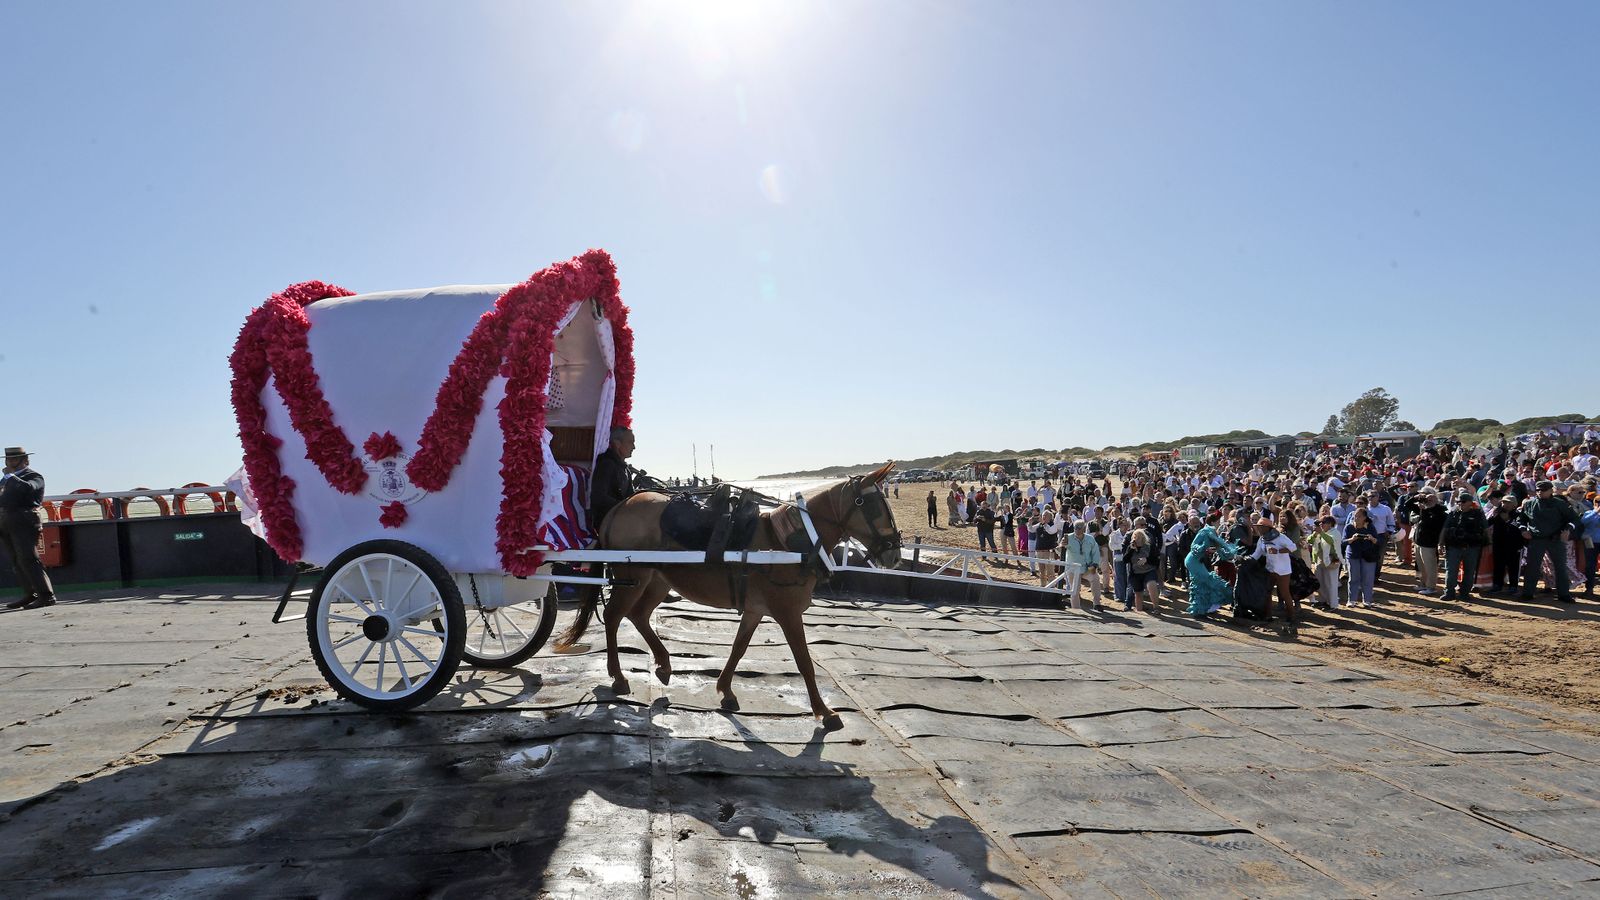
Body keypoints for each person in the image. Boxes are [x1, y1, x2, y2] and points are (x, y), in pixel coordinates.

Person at [1, 447, 55, 610]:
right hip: (6, 520)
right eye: (9, 460)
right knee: (17, 561)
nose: (11, 463)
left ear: (26, 460)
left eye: (15, 459)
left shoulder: (33, 476)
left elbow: (29, 488)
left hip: (24, 519)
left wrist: (11, 477)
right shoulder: (5, 480)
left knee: (29, 558)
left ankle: (46, 596)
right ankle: (31, 593)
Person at [1519, 480, 1582, 603]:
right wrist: (1523, 530)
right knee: (1532, 567)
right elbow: (1521, 520)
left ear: (1550, 490)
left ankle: (1564, 594)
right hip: (1537, 539)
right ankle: (1528, 593)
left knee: (1560, 567)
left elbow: (1575, 519)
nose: (1540, 493)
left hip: (1555, 539)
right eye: (1538, 490)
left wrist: (1568, 529)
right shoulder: (1529, 504)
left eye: (1543, 490)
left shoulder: (1560, 504)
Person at [1184, 512, 1239, 617]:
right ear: (1214, 522)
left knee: (1200, 584)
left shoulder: (1212, 532)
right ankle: (1201, 608)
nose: (1220, 523)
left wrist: (1231, 553)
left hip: (1196, 561)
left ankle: (1201, 609)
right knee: (1208, 581)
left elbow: (1220, 550)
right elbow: (1193, 546)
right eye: (1218, 521)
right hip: (1192, 560)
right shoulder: (1205, 531)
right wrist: (1203, 547)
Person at [1251, 514, 1298, 625]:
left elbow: (1293, 547)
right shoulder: (1262, 539)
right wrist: (1247, 559)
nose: (1258, 528)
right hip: (1270, 569)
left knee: (1285, 593)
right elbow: (1257, 553)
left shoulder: (1280, 537)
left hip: (1283, 571)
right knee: (1267, 592)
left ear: (1267, 528)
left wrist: (1277, 551)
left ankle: (1291, 616)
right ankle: (1268, 615)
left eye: (1260, 526)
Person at [1440, 493, 1488, 601]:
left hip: (1472, 546)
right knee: (1451, 570)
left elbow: (1486, 530)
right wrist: (1441, 543)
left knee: (1469, 571)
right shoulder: (1453, 513)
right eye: (1458, 502)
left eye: (1463, 502)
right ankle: (1449, 592)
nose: (1460, 504)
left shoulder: (1478, 514)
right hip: (1454, 546)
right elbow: (1445, 529)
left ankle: (1465, 593)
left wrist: (1488, 543)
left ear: (1470, 502)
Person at [589, 427, 637, 528]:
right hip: (607, 523)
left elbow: (631, 496)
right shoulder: (607, 465)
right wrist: (623, 507)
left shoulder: (626, 470)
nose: (634, 447)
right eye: (630, 442)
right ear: (617, 443)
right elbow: (598, 497)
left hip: (621, 519)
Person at [1408, 488, 1447, 595]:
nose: (1426, 497)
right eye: (1423, 494)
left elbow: (1431, 523)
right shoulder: (1422, 507)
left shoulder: (1440, 510)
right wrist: (1415, 497)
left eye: (1427, 495)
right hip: (1419, 541)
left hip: (1430, 543)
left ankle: (1431, 587)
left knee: (1430, 566)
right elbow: (1407, 505)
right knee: (1421, 566)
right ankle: (1423, 584)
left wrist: (1430, 505)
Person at [1343, 507, 1381, 609]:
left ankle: (1367, 600)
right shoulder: (1349, 527)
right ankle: (1351, 600)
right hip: (1353, 555)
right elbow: (1343, 542)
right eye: (1355, 516)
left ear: (1364, 517)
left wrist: (1372, 538)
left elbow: (1378, 542)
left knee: (1367, 579)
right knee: (1353, 578)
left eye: (1359, 516)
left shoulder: (1370, 527)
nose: (1356, 518)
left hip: (1368, 556)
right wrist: (1352, 539)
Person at [1060, 520, 1102, 611]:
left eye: (1079, 528)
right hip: (1073, 568)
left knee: (1095, 579)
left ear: (1084, 528)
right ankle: (1076, 608)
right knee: (1075, 588)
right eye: (1075, 527)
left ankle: (1097, 603)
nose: (1077, 530)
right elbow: (1059, 551)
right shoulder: (1068, 537)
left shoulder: (1090, 538)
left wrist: (1095, 564)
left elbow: (1096, 552)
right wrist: (1062, 545)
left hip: (1087, 567)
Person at [1125, 517, 1162, 615]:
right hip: (1136, 573)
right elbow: (1125, 560)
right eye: (1134, 536)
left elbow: (1156, 560)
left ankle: (1156, 607)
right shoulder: (1131, 547)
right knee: (1138, 593)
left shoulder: (1149, 545)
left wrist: (1147, 559)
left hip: (1149, 570)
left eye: (1138, 537)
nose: (1135, 538)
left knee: (1152, 585)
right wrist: (1131, 550)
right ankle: (1139, 611)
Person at [1307, 514, 1343, 610]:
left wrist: (1321, 533)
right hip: (1320, 561)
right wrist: (1315, 534)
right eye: (1320, 523)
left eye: (1323, 523)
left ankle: (1333, 605)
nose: (1321, 524)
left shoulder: (1335, 532)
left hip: (1332, 561)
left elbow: (1331, 541)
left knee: (1331, 584)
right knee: (1319, 582)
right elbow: (1309, 540)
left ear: (1330, 524)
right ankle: (1324, 600)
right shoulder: (1320, 532)